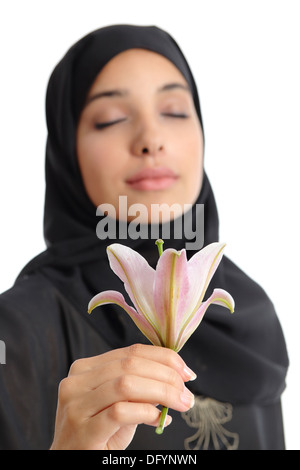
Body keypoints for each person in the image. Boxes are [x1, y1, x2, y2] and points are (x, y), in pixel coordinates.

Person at [0, 24, 288, 450]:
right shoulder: (18, 330)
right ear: (66, 150)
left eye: (174, 112)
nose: (151, 140)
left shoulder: (250, 317)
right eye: (111, 119)